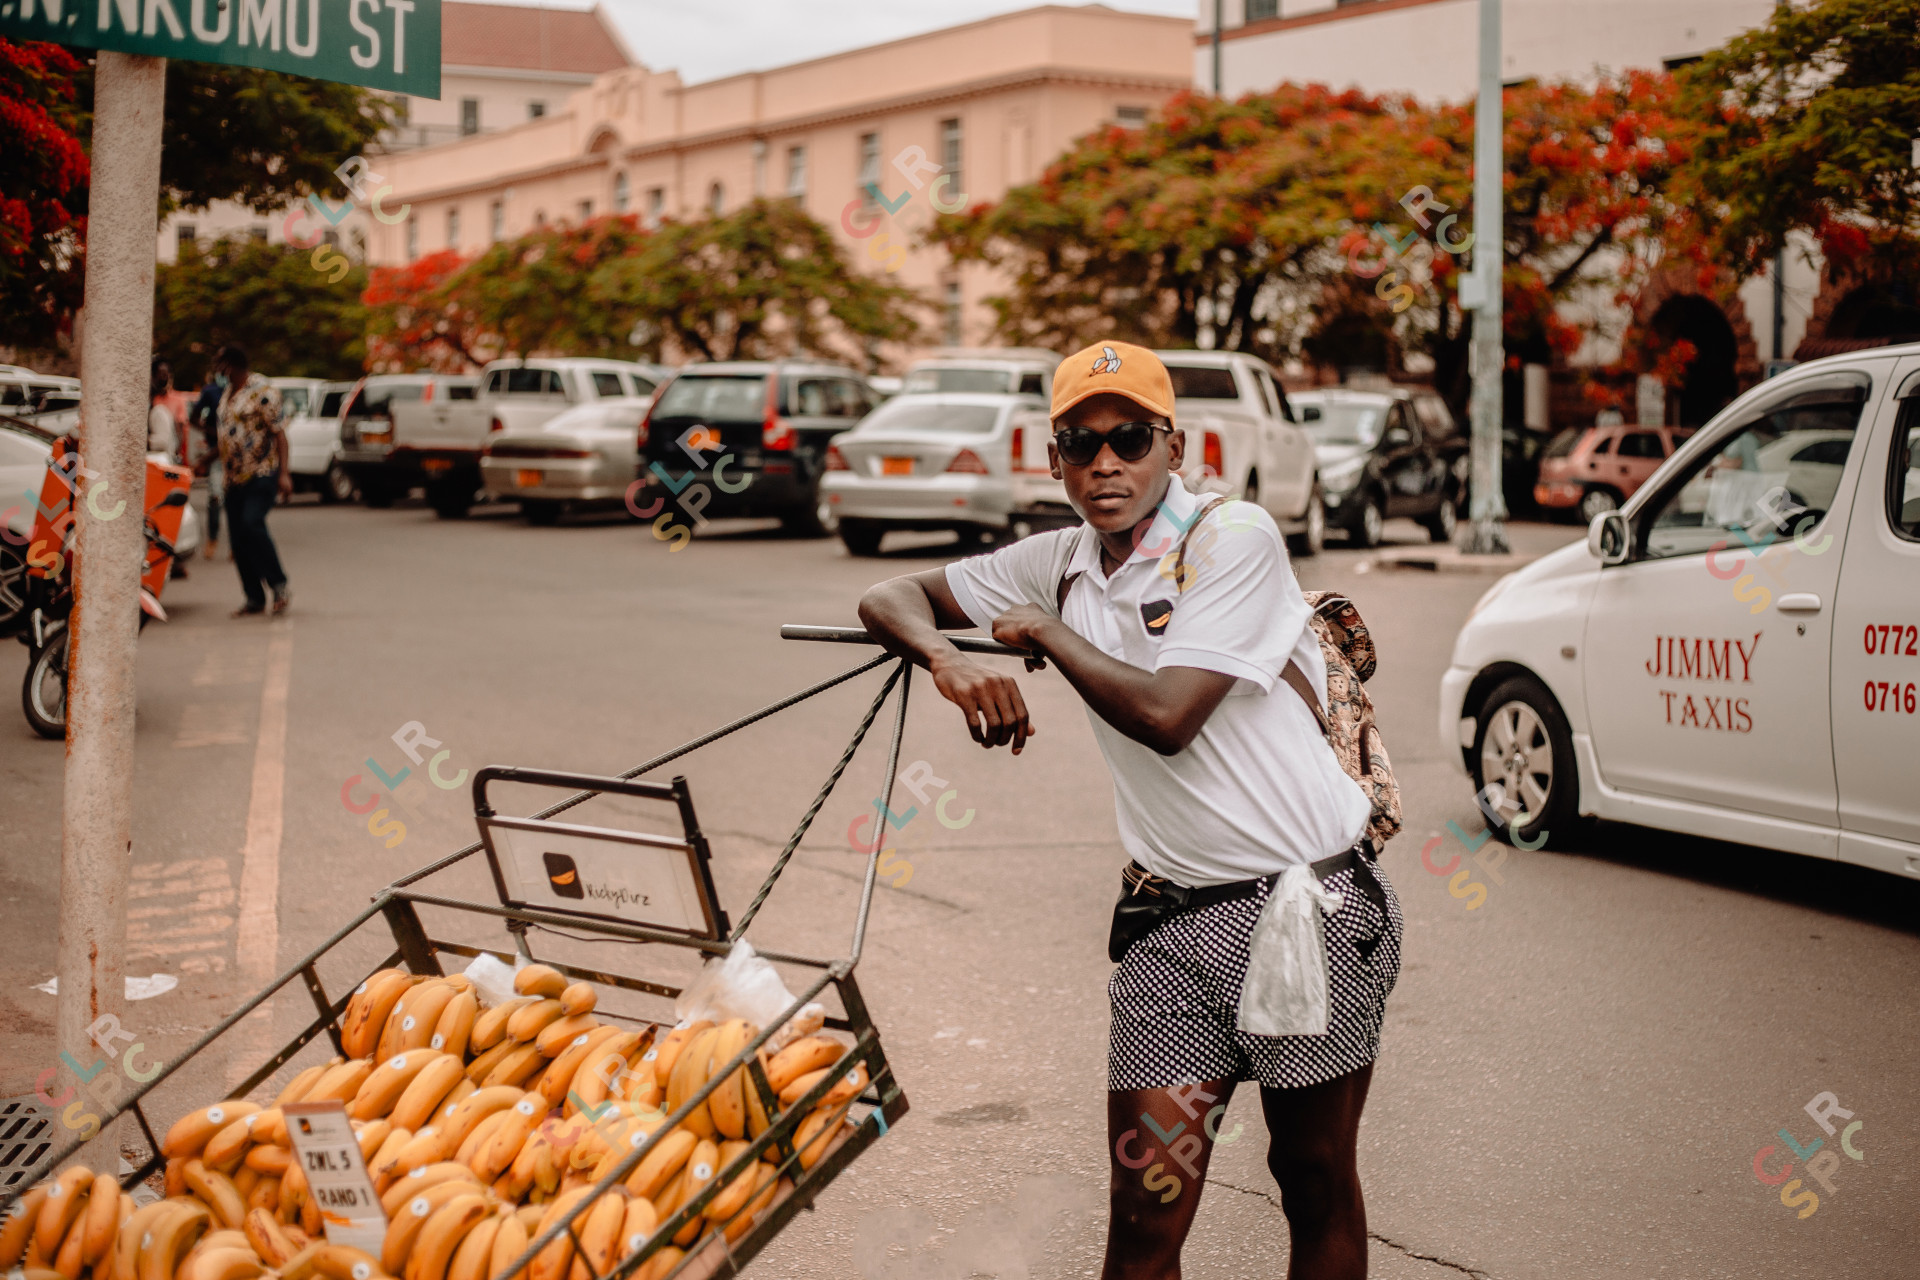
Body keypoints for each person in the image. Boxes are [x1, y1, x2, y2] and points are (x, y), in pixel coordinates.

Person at [856, 341, 1399, 1280]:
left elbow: (1167, 714)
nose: (1104, 463)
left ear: (1174, 446)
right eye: (1078, 443)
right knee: (1143, 1216)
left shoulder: (1231, 540)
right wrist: (948, 660)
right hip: (1172, 925)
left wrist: (1048, 636)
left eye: (1129, 438)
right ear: (1055, 456)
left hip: (1308, 910)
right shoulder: (1060, 559)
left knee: (1311, 1177)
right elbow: (888, 592)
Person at [211, 345, 292, 616]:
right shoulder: (227, 394)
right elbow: (230, 434)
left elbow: (279, 433)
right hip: (233, 477)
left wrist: (284, 474)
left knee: (252, 523)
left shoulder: (262, 391)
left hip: (262, 472)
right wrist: (206, 459)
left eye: (219, 364)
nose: (216, 370)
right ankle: (254, 598)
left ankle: (279, 584)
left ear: (231, 365)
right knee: (238, 539)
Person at [149, 358, 187, 579]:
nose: (163, 377)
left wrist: (180, 456)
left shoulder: (169, 404)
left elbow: (178, 430)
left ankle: (174, 559)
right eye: (159, 373)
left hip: (168, 459)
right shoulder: (151, 401)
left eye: (166, 373)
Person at [190, 369, 225, 559]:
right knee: (215, 496)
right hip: (215, 453)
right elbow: (194, 417)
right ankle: (212, 539)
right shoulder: (211, 392)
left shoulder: (242, 392)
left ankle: (238, 545)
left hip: (235, 456)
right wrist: (210, 431)